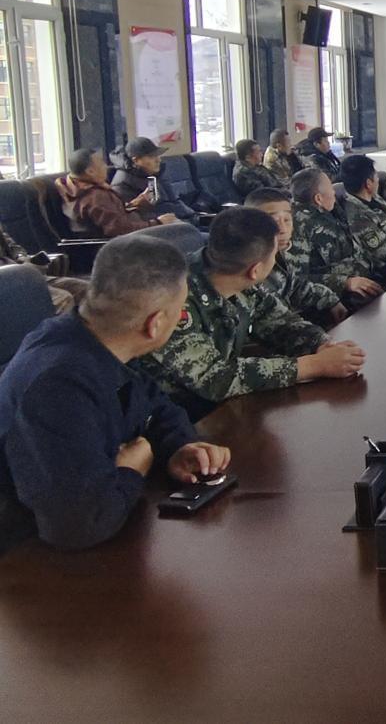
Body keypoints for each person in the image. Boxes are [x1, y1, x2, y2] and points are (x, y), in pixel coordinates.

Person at [0, 236, 229, 551]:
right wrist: (132, 470)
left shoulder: (97, 338)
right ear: (155, 323)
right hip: (27, 556)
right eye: (180, 310)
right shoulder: (58, 386)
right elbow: (80, 525)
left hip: (106, 524)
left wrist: (179, 447)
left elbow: (155, 406)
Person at [134, 207, 365, 419]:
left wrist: (321, 344)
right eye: (273, 256)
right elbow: (215, 378)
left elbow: (280, 322)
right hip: (176, 421)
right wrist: (313, 366)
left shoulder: (233, 272)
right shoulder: (174, 298)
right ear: (255, 270)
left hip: (225, 406)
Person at [243, 187, 347, 328]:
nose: (283, 229)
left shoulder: (279, 253)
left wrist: (330, 300)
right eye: (273, 221)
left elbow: (294, 287)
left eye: (287, 220)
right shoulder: (244, 267)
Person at [288, 168, 386, 306]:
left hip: (366, 279)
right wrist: (345, 283)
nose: (334, 192)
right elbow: (297, 282)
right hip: (336, 298)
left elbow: (357, 252)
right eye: (331, 188)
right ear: (318, 198)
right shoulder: (296, 226)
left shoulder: (332, 212)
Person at [57, 148, 178, 238]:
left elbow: (111, 215)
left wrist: (135, 204)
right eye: (102, 163)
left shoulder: (78, 189)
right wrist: (157, 223)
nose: (106, 167)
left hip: (125, 240)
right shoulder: (95, 196)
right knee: (179, 232)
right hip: (119, 248)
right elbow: (118, 229)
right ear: (90, 171)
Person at [0, 224, 87, 314]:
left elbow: (13, 247)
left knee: (84, 290)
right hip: (7, 283)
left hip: (24, 275)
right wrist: (23, 270)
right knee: (63, 299)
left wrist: (21, 258)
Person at [110, 137, 196, 223]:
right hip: (159, 227)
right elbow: (134, 219)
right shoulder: (121, 184)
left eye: (158, 155)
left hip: (180, 221)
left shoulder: (155, 174)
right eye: (151, 156)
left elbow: (175, 202)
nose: (158, 160)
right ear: (135, 160)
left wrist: (193, 216)